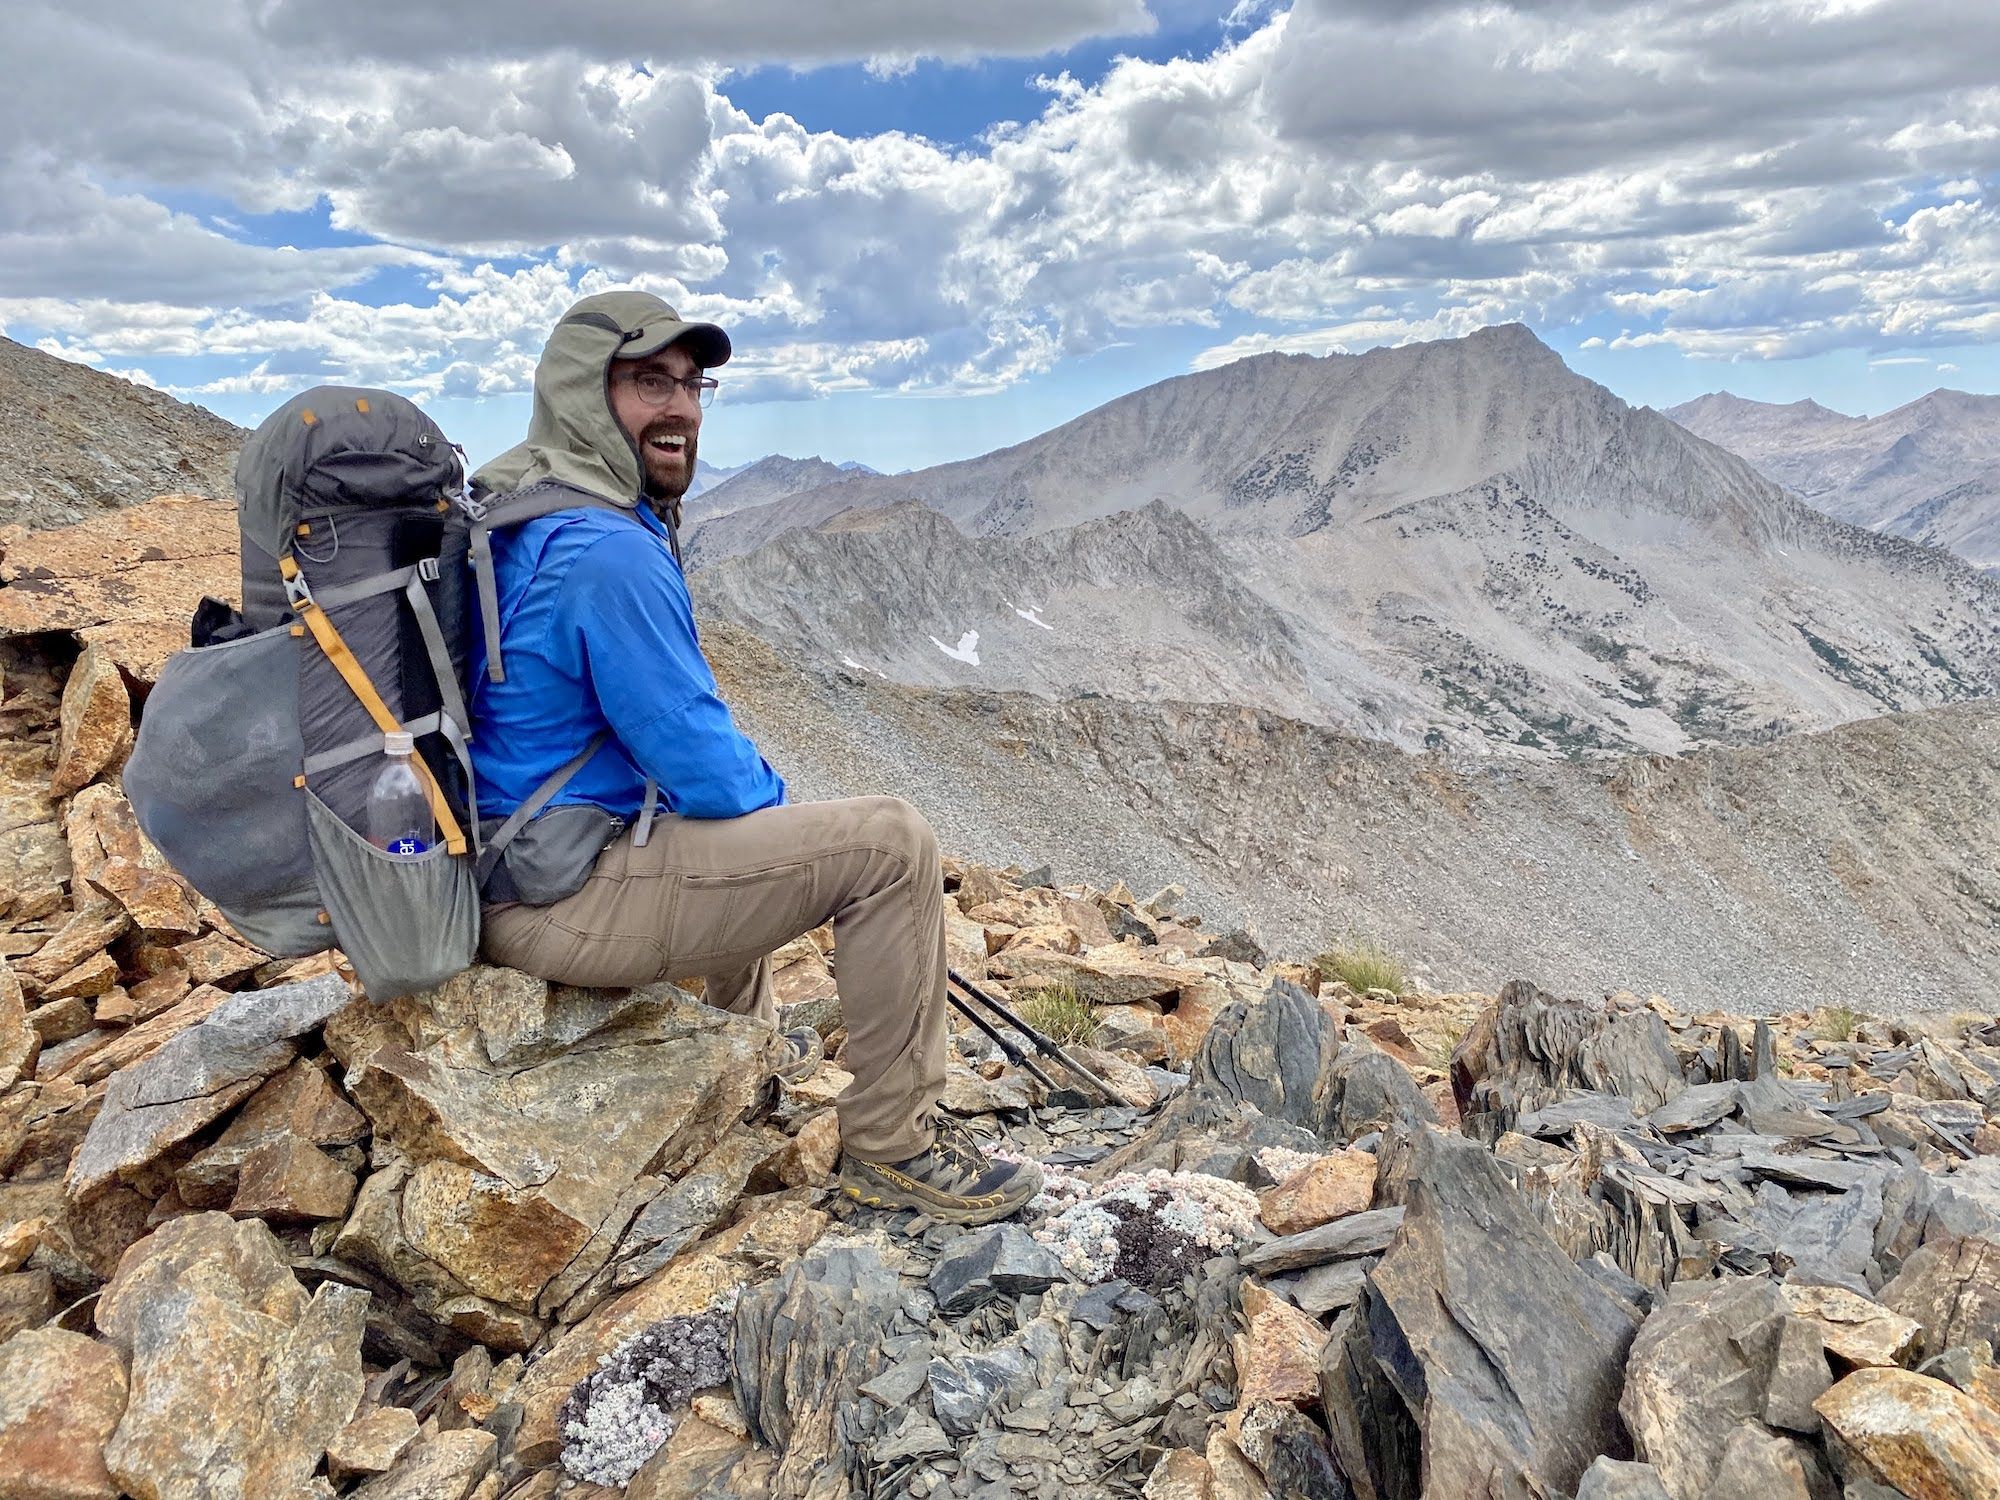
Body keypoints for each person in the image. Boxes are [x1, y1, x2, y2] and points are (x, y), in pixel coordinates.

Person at [468, 289, 1041, 1225]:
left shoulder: (533, 501)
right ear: (582, 393)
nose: (682, 408)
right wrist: (792, 823)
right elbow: (708, 770)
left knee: (746, 836)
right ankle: (895, 1149)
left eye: (693, 385)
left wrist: (771, 827)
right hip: (550, 897)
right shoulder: (605, 551)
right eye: (649, 381)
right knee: (888, 844)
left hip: (518, 862)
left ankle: (738, 1073)